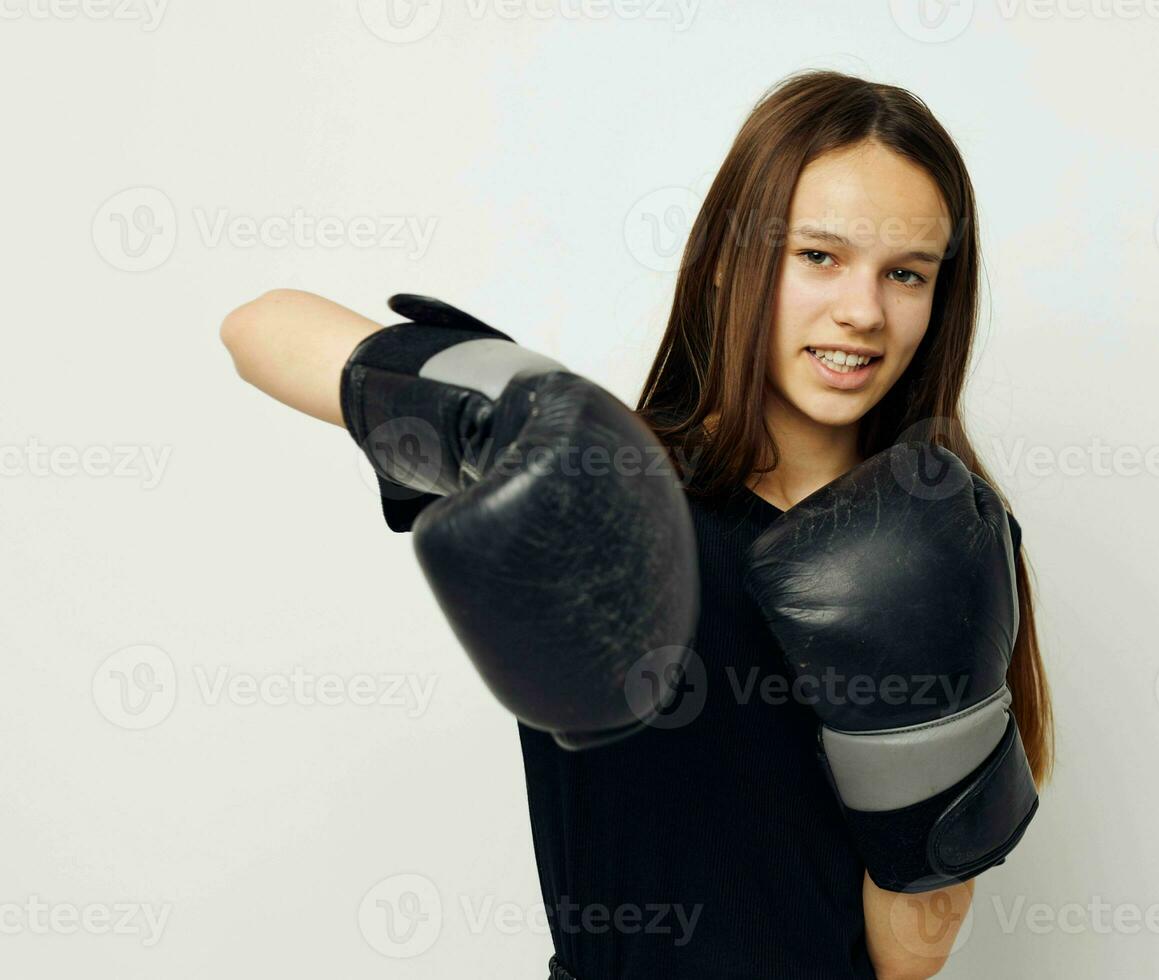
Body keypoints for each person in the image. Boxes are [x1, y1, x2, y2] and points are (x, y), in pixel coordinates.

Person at [221, 69, 1053, 980]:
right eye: (819, 255)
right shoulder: (605, 487)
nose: (863, 310)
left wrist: (924, 766)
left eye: (905, 273)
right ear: (737, 259)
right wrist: (501, 416)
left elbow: (908, 959)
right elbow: (257, 328)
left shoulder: (953, 536)